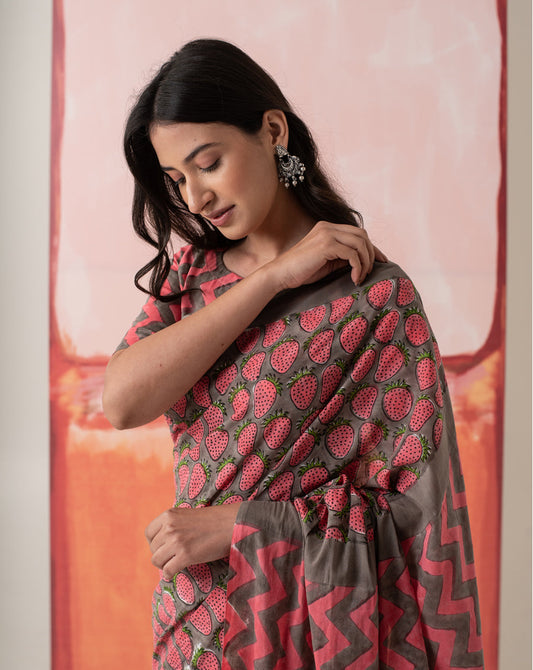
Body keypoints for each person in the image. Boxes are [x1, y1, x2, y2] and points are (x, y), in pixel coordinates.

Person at [103, 38, 484, 670]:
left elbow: (418, 515)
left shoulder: (375, 300)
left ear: (273, 131)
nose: (195, 199)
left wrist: (243, 526)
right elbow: (122, 402)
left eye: (208, 163)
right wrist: (273, 278)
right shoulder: (190, 276)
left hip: (315, 638)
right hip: (196, 633)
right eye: (177, 179)